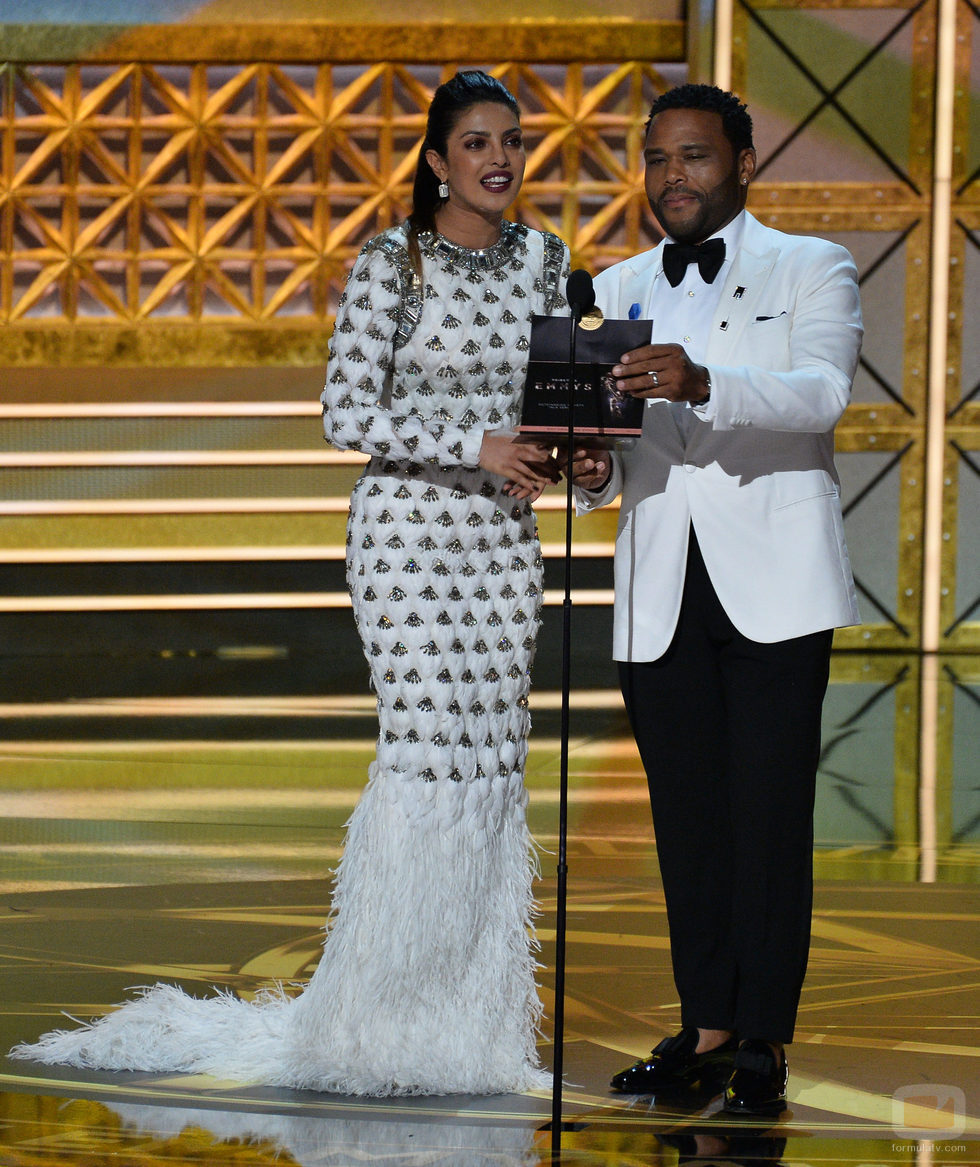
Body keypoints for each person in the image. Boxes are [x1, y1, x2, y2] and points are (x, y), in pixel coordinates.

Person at [12, 70, 569, 1097]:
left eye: (513, 141)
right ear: (438, 163)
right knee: (425, 748)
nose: (499, 160)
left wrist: (580, 454)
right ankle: (375, 1023)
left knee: (488, 760)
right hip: (407, 537)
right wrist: (471, 444)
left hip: (502, 542)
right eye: (477, 143)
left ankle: (465, 1027)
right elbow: (345, 414)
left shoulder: (547, 261)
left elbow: (555, 396)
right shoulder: (387, 265)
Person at [567, 83, 862, 1115]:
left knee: (767, 819)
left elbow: (822, 394)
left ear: (742, 162)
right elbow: (612, 471)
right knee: (685, 821)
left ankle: (761, 1040)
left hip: (771, 588)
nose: (669, 178)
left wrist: (703, 383)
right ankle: (704, 1025)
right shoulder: (610, 285)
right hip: (658, 587)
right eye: (654, 159)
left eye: (691, 156)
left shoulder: (809, 266)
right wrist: (582, 464)